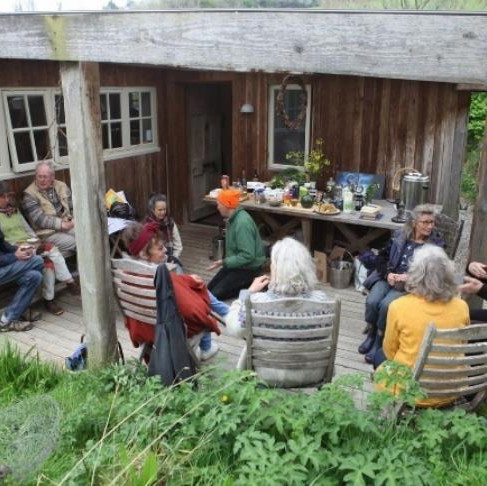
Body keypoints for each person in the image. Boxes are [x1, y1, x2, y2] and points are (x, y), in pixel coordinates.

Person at [376, 245, 469, 408]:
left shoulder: (399, 306)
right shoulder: (461, 307)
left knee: (378, 356)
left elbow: (390, 352)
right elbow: (462, 346)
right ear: (448, 275)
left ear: (414, 274)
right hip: (449, 390)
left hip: (410, 393)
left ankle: (391, 409)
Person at [122, 222, 227, 361]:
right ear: (143, 254)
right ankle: (209, 343)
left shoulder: (127, 274)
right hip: (169, 333)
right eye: (160, 248)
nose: (165, 250)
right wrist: (207, 317)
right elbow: (194, 311)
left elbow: (175, 285)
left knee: (191, 283)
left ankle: (226, 313)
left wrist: (187, 280)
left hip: (145, 333)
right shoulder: (160, 277)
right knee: (203, 303)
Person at [359, 204, 445, 364]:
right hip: (388, 278)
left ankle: (380, 340)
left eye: (432, 222)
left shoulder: (436, 244)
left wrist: (408, 277)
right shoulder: (399, 236)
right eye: (425, 222)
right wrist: (388, 274)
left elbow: (436, 270)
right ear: (414, 222)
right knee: (372, 301)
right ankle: (371, 333)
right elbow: (381, 258)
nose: (430, 226)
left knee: (386, 305)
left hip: (412, 283)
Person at [224, 237, 328, 369]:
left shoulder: (256, 303)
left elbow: (235, 329)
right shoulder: (321, 301)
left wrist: (247, 293)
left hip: (267, 372)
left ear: (275, 269)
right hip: (310, 371)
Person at [0, 183, 79, 315]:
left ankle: (50, 300)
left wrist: (35, 240)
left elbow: (28, 230)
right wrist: (20, 246)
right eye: (5, 197)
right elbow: (4, 243)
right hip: (16, 248)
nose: (8, 200)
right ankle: (67, 283)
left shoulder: (14, 211)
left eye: (9, 196)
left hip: (29, 243)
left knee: (48, 261)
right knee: (50, 252)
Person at [208, 188, 265, 300]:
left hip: (249, 269)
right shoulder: (233, 218)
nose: (217, 207)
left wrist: (225, 262)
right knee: (209, 290)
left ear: (227, 205)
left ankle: (251, 284)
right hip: (237, 264)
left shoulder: (242, 223)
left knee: (214, 296)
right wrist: (224, 262)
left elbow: (248, 256)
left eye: (219, 204)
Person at [22, 161, 76, 257]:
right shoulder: (29, 195)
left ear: (52, 177)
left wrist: (75, 219)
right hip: (47, 233)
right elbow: (39, 220)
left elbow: (73, 206)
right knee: (78, 242)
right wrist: (62, 225)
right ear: (35, 176)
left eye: (45, 177)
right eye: (40, 176)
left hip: (68, 223)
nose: (42, 180)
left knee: (87, 234)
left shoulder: (61, 186)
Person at [0, 227, 44, 332]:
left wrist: (21, 249)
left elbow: (3, 245)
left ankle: (11, 316)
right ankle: (11, 318)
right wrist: (15, 256)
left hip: (3, 267)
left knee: (34, 276)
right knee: (37, 260)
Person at [143, 193, 183, 274]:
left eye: (164, 209)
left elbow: (178, 246)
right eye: (160, 210)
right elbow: (144, 250)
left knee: (179, 277)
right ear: (152, 209)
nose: (163, 212)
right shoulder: (146, 225)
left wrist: (173, 258)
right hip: (153, 261)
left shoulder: (170, 223)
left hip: (170, 259)